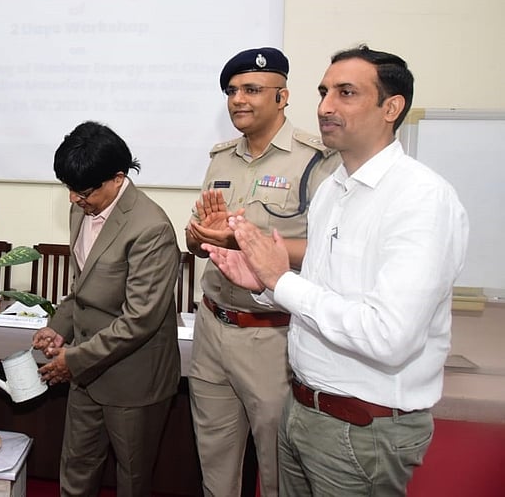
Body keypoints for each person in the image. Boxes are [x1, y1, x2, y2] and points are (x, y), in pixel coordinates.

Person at [203, 45, 468, 496]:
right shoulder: (336, 191)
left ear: (392, 107)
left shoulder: (421, 200)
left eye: (346, 93)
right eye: (324, 92)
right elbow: (324, 289)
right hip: (305, 408)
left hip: (362, 428)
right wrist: (264, 286)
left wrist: (281, 281)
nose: (325, 106)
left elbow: (389, 336)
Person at [184, 47, 340, 497]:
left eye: (252, 89)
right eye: (232, 91)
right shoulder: (220, 159)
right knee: (214, 458)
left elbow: (328, 251)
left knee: (276, 467)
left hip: (272, 335)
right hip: (213, 326)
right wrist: (199, 238)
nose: (238, 99)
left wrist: (246, 241)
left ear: (282, 97)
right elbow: (203, 237)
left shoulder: (316, 160)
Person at [32, 121, 180, 497]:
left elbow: (139, 320)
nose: (72, 200)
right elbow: (81, 287)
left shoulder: (151, 228)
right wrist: (58, 327)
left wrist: (74, 359)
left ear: (117, 178)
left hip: (134, 380)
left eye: (81, 191)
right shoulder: (81, 210)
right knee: (76, 469)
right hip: (85, 369)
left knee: (131, 480)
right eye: (68, 189)